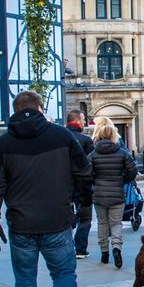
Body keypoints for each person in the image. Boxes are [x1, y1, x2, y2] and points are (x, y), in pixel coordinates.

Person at [0, 91, 91, 287]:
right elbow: (83, 173)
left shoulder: (3, 144)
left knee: (25, 280)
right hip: (58, 220)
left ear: (14, 111)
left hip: (21, 223)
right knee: (64, 275)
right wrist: (83, 204)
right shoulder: (62, 136)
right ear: (41, 109)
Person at [88, 116, 137, 268]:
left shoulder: (93, 155)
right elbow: (133, 170)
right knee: (116, 223)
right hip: (117, 193)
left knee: (102, 223)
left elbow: (87, 173)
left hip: (100, 194)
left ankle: (104, 252)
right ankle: (116, 247)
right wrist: (123, 179)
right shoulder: (122, 153)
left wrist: (95, 181)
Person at [64, 109, 95, 259]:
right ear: (77, 120)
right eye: (83, 120)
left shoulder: (60, 138)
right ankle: (80, 248)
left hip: (63, 184)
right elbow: (91, 164)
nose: (85, 123)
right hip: (83, 184)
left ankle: (66, 246)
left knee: (66, 215)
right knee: (85, 217)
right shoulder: (85, 140)